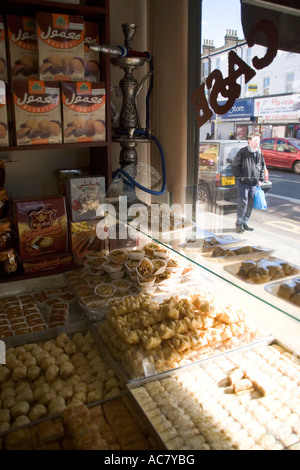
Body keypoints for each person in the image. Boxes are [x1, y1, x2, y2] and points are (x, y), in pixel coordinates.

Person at [231, 132, 266, 234]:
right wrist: (240, 177)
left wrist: (260, 179)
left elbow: (262, 166)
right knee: (243, 204)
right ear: (249, 141)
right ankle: (239, 224)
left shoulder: (259, 152)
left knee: (250, 204)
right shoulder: (243, 152)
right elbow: (234, 166)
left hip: (254, 184)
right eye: (255, 140)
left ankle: (245, 222)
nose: (257, 142)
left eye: (258, 140)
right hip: (244, 183)